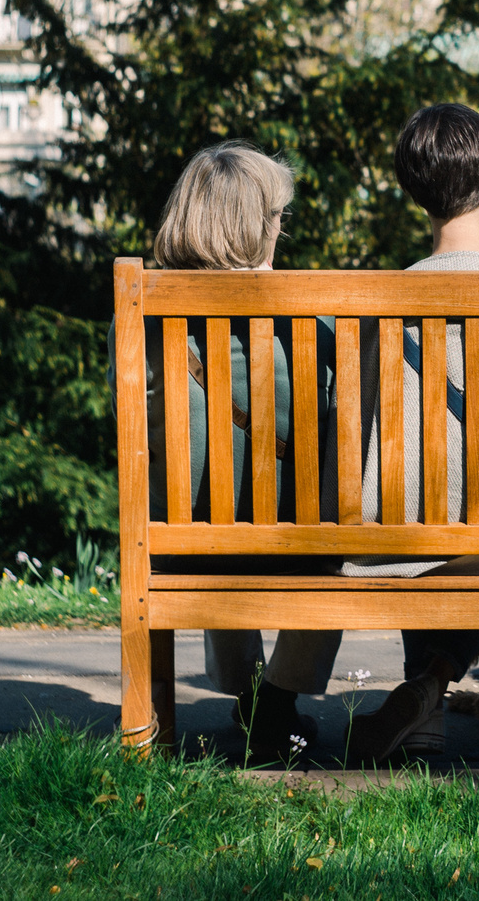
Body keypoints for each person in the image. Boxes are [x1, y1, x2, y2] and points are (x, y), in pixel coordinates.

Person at [342, 102, 479, 764]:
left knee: (431, 498)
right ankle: (433, 683)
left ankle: (427, 709)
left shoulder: (381, 299)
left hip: (389, 528)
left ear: (415, 193)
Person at [148, 141, 343, 763]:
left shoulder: (143, 310)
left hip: (176, 540)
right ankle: (276, 700)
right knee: (325, 528)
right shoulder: (312, 316)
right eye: (277, 216)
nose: (282, 228)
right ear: (254, 225)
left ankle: (247, 692)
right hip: (297, 542)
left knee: (209, 499)